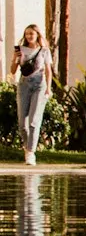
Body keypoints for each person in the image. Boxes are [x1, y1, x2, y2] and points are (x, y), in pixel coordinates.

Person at [11, 26, 50, 164]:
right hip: (24, 85)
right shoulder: (20, 50)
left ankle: (31, 152)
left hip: (39, 85)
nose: (29, 36)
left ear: (37, 34)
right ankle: (27, 147)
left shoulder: (44, 51)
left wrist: (48, 89)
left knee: (34, 121)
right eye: (26, 33)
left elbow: (48, 71)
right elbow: (13, 70)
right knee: (22, 123)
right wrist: (16, 58)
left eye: (31, 33)